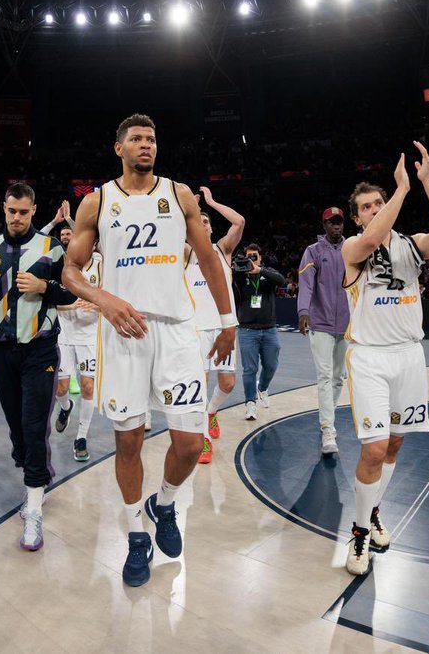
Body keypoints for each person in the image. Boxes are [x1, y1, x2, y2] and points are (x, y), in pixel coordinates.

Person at [62, 113, 237, 587]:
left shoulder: (178, 194)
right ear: (117, 147)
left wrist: (227, 320)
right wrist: (107, 299)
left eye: (152, 139)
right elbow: (71, 271)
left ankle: (164, 502)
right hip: (124, 330)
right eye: (136, 138)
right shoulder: (96, 202)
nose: (146, 145)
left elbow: (207, 257)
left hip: (178, 329)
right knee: (129, 440)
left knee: (190, 442)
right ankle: (137, 535)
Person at [340, 141, 429, 576]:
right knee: (373, 448)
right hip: (369, 358)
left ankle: (372, 513)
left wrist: (425, 182)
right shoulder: (352, 247)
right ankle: (357, 534)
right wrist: (400, 191)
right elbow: (372, 238)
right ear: (356, 217)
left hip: (409, 356)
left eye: (378, 203)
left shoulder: (411, 244)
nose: (373, 210)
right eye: (366, 207)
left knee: (394, 444)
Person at [0, 183, 75, 550]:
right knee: (17, 431)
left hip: (40, 351)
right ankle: (37, 474)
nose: (18, 218)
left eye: (24, 212)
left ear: (34, 210)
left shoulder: (52, 248)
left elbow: (71, 292)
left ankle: (34, 506)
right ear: (3, 209)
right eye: (12, 211)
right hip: (1, 352)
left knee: (33, 425)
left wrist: (45, 286)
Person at [183, 186, 244, 464]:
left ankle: (211, 412)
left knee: (228, 384)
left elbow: (239, 222)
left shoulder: (223, 250)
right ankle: (204, 438)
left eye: (206, 222)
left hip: (223, 328)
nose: (203, 224)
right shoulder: (185, 253)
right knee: (201, 382)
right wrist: (188, 211)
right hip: (196, 329)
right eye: (199, 220)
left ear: (210, 229)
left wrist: (211, 202)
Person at [297, 206, 351, 455]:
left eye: (339, 221)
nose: (336, 225)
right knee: (325, 376)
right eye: (331, 222)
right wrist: (303, 311)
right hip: (320, 323)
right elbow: (306, 283)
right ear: (324, 225)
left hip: (347, 325)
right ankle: (328, 428)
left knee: (339, 378)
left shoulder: (352, 248)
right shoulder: (313, 251)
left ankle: (328, 418)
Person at [53, 223, 101, 463]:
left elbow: (110, 296)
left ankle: (81, 437)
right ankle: (65, 407)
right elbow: (50, 301)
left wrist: (98, 303)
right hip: (64, 333)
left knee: (88, 387)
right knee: (60, 389)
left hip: (89, 335)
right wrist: (71, 305)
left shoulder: (101, 265)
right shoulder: (60, 265)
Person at [235, 244, 286, 421]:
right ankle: (250, 403)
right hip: (247, 330)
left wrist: (260, 270)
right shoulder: (241, 275)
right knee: (250, 369)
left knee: (271, 365)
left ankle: (262, 388)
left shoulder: (267, 272)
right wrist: (239, 268)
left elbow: (282, 281)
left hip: (269, 329)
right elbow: (230, 277)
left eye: (254, 256)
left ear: (260, 258)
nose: (251, 260)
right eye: (248, 257)